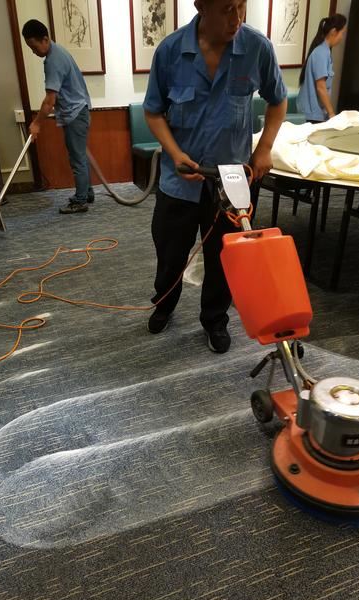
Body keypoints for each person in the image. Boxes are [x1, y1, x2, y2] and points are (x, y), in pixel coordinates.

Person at [143, 0, 287, 354]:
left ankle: (215, 319)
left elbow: (278, 100)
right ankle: (165, 302)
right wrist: (175, 153)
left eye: (241, 6)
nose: (236, 18)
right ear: (201, 6)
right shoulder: (170, 52)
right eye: (226, 9)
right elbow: (153, 112)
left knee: (225, 258)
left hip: (232, 182)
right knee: (170, 252)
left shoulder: (257, 48)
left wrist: (264, 148)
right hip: (179, 181)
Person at [22, 19, 95, 214]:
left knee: (77, 159)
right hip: (79, 111)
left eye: (34, 47)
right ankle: (86, 193)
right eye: (30, 48)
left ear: (45, 39)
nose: (33, 52)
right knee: (80, 156)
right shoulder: (59, 52)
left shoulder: (53, 60)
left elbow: (49, 100)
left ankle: (81, 201)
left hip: (75, 114)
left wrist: (36, 123)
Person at [297, 14, 347, 123]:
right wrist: (332, 113)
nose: (342, 37)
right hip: (312, 115)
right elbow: (321, 87)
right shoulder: (321, 53)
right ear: (334, 32)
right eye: (342, 33)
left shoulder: (324, 52)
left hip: (315, 113)